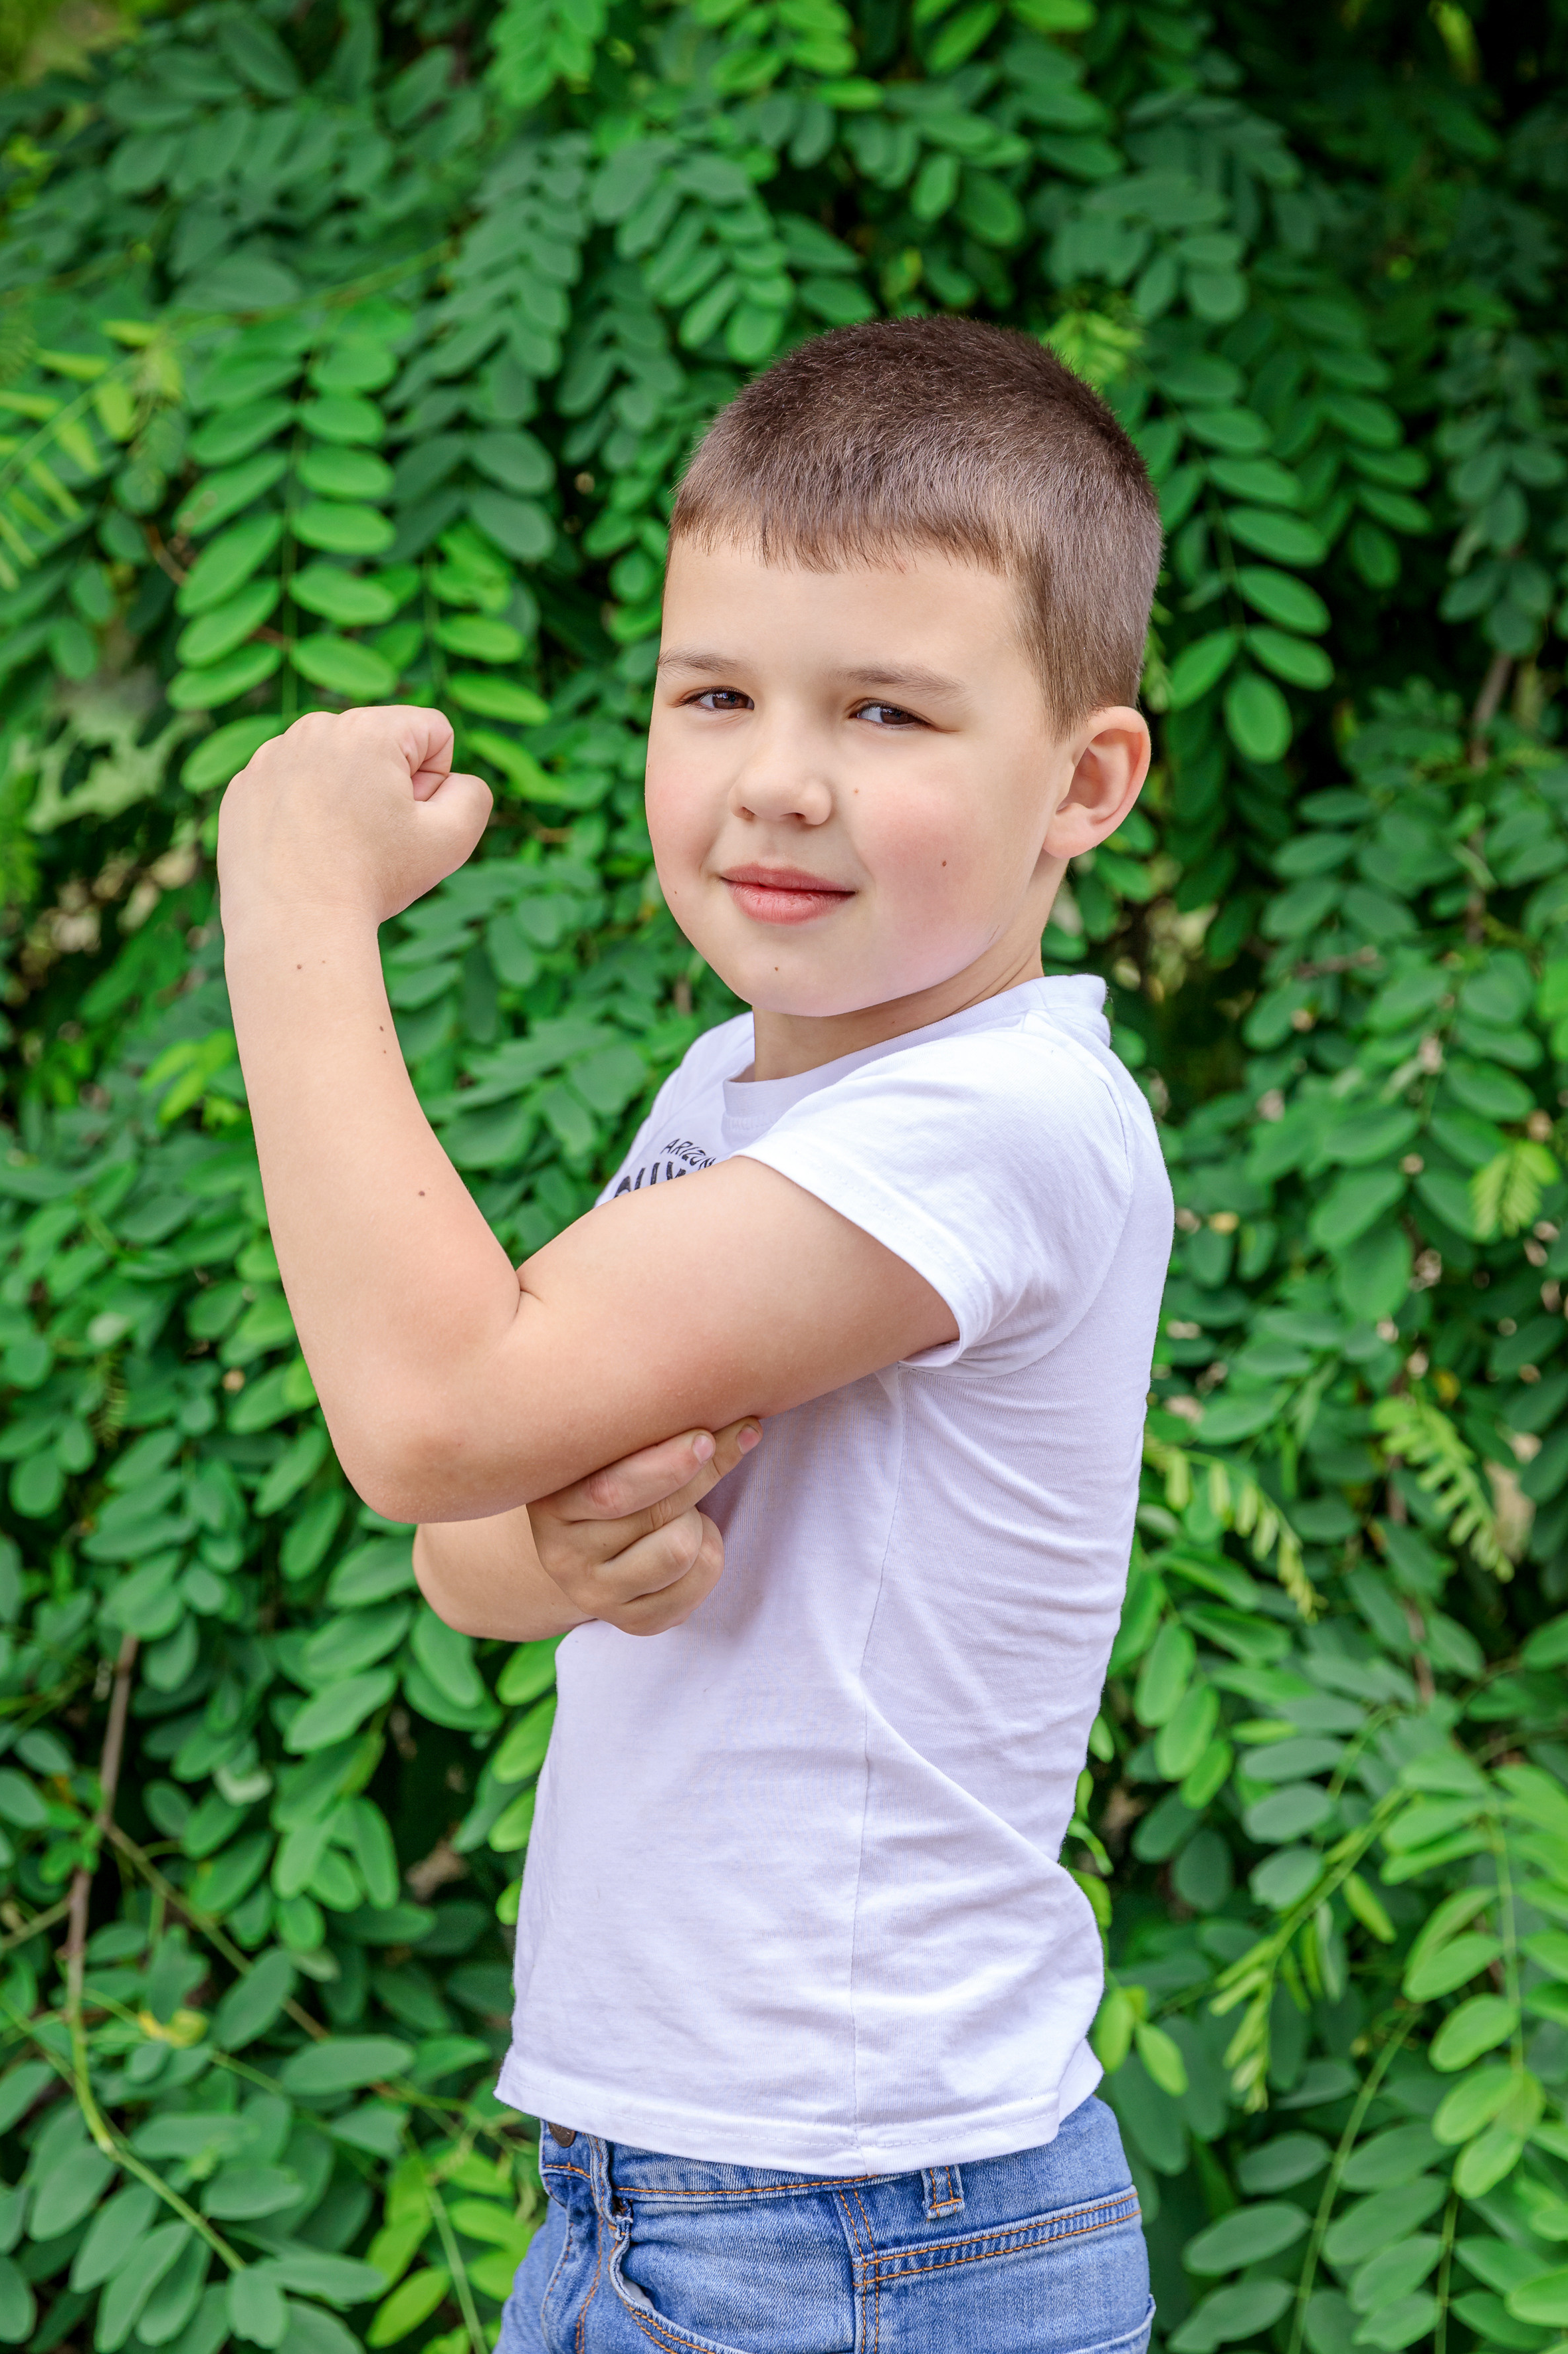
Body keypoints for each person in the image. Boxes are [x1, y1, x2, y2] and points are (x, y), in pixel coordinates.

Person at [219, 316, 1173, 2354]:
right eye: (713, 691)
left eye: (890, 714)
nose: (778, 779)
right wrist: (545, 1543)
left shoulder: (999, 1124)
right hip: (677, 2200)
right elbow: (467, 1542)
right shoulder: (737, 1096)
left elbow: (429, 1410)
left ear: (1081, 784)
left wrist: (290, 906)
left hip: (850, 2230)